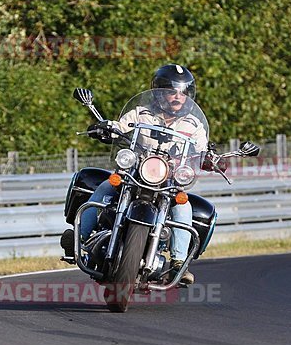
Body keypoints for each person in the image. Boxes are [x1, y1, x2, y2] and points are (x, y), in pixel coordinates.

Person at [62, 64, 209, 286]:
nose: (178, 97)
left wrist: (212, 158)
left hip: (168, 180)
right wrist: (105, 127)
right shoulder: (141, 113)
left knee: (183, 206)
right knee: (105, 187)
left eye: (183, 92)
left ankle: (179, 263)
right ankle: (78, 237)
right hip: (134, 172)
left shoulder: (194, 125)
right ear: (159, 93)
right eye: (171, 91)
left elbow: (202, 149)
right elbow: (121, 126)